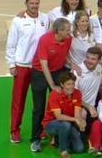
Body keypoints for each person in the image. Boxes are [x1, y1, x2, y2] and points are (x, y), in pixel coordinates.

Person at [5, 0, 49, 143]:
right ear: (26, 4)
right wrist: (11, 64)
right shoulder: (18, 21)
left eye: (37, 3)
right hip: (22, 66)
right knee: (18, 101)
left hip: (39, 67)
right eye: (31, 3)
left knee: (40, 101)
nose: (34, 6)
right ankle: (14, 130)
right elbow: (11, 44)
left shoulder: (45, 18)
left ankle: (40, 129)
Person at [30, 18, 72, 152]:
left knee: (60, 105)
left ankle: (55, 136)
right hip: (40, 73)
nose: (69, 32)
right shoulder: (45, 40)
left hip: (57, 71)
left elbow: (66, 56)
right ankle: (35, 140)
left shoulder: (68, 39)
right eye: (66, 30)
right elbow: (44, 64)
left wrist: (74, 65)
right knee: (39, 107)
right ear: (59, 31)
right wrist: (53, 85)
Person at [42, 71, 85, 158]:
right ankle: (63, 150)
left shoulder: (77, 93)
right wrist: (75, 120)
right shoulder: (54, 94)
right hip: (51, 124)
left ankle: (58, 139)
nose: (71, 86)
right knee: (66, 125)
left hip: (68, 123)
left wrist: (81, 121)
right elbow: (59, 116)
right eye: (68, 84)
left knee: (79, 149)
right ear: (62, 84)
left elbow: (77, 114)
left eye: (73, 83)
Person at [74, 47, 102, 130]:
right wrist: (89, 107)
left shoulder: (100, 68)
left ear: (99, 61)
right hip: (77, 106)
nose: (89, 61)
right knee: (83, 113)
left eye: (93, 59)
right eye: (88, 57)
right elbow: (73, 96)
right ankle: (79, 135)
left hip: (92, 107)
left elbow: (100, 86)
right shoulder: (77, 71)